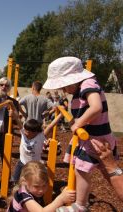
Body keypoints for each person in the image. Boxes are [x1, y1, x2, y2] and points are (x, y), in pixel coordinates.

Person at [43, 56, 118, 211]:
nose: (63, 90)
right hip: (90, 136)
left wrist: (78, 123)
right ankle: (81, 201)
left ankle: (80, 205)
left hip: (96, 138)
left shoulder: (88, 83)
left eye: (64, 85)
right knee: (97, 172)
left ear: (73, 78)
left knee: (81, 170)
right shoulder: (79, 89)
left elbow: (96, 107)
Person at [11, 114, 63, 183]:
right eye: (25, 130)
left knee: (31, 181)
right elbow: (18, 120)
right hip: (22, 162)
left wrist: (61, 115)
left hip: (34, 165)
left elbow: (51, 126)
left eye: (28, 131)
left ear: (35, 132)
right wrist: (12, 111)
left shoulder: (40, 136)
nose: (25, 132)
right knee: (15, 180)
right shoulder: (23, 134)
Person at [7, 161, 76, 212]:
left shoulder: (33, 191)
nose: (41, 190)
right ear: (24, 182)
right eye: (36, 186)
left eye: (44, 185)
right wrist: (61, 199)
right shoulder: (22, 196)